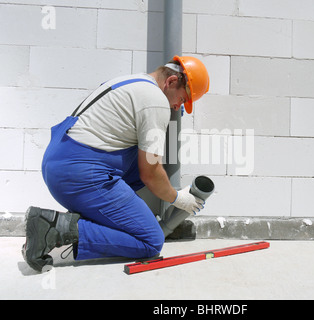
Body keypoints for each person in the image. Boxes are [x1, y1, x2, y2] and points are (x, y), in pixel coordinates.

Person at [22, 56, 210, 272]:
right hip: (81, 171)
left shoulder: (134, 81)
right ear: (171, 82)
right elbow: (151, 172)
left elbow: (143, 169)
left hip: (61, 160)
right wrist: (178, 198)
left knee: (139, 167)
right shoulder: (155, 101)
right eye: (182, 98)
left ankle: (133, 222)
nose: (178, 106)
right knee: (151, 241)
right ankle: (57, 229)